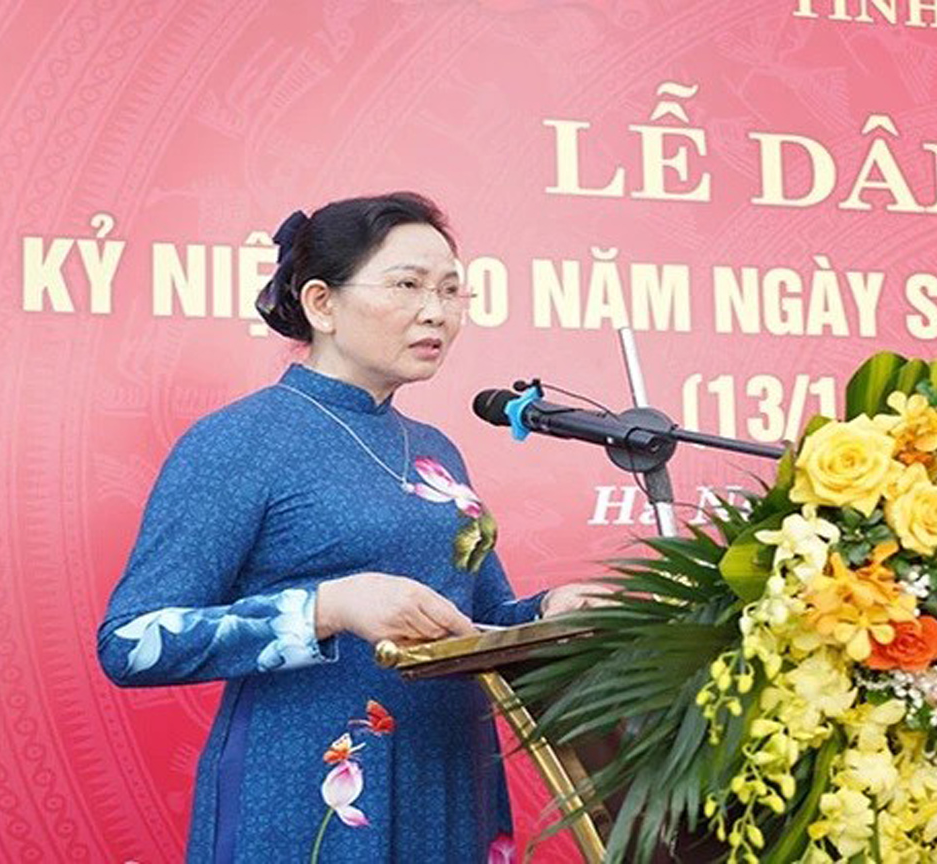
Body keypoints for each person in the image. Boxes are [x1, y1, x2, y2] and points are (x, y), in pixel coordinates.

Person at [97, 192, 599, 863]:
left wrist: (550, 611)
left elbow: (475, 620)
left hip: (448, 783)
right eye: (408, 285)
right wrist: (326, 609)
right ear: (321, 304)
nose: (437, 311)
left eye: (452, 291)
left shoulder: (434, 452)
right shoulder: (239, 441)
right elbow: (131, 642)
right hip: (311, 796)